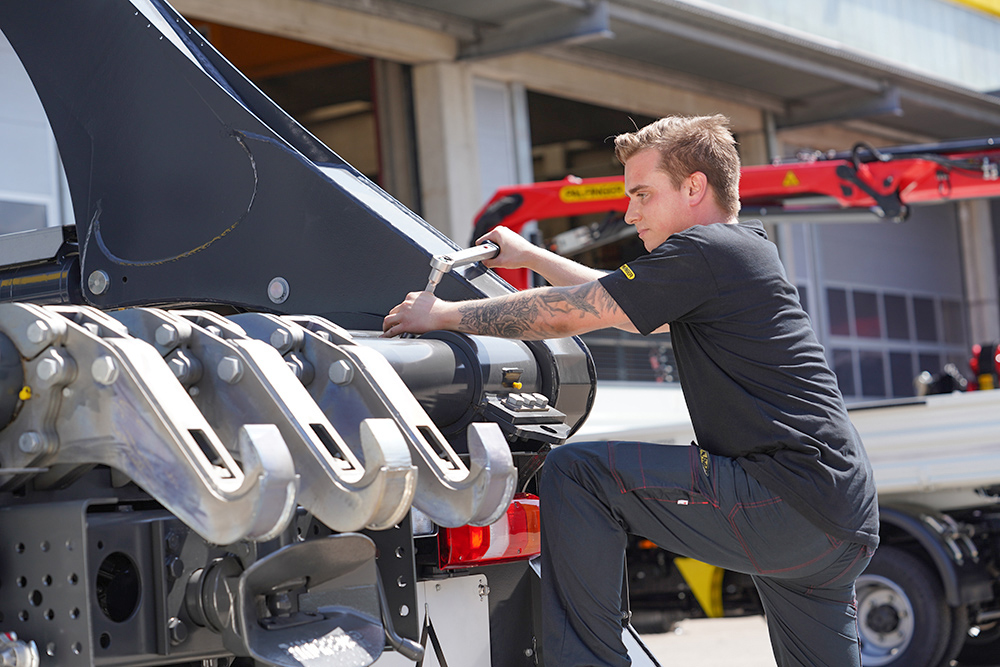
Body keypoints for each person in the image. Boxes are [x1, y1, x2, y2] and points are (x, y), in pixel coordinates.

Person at [383, 114, 879, 667]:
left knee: (578, 475)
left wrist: (444, 314)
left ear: (694, 187)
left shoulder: (705, 251)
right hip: (840, 516)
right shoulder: (740, 253)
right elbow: (626, 308)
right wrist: (532, 258)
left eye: (642, 194)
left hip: (782, 497)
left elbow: (569, 315)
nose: (630, 213)